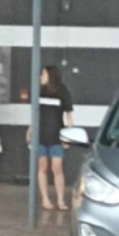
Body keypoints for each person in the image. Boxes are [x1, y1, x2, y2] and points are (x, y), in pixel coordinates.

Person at [27, 65, 73, 210]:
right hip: (40, 135)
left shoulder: (62, 91)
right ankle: (45, 199)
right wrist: (30, 128)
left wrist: (69, 135)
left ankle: (60, 200)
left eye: (43, 74)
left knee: (57, 167)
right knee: (42, 167)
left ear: (51, 76)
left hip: (56, 135)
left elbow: (69, 114)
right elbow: (35, 113)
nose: (41, 77)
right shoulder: (38, 91)